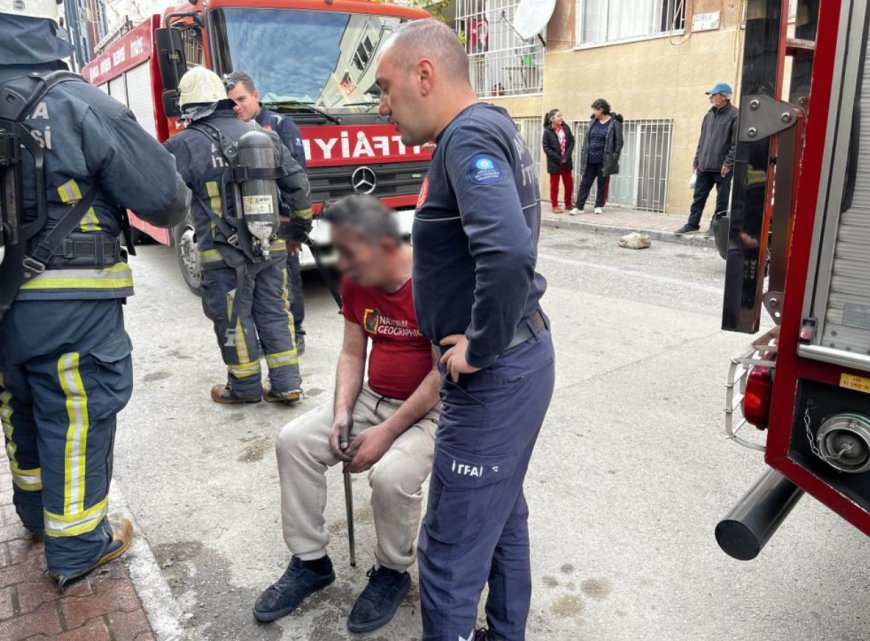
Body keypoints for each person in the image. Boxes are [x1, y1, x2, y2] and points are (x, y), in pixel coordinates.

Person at [376, 20, 555, 641]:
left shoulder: (467, 135)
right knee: (502, 515)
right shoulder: (492, 125)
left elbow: (506, 253)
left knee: (450, 553)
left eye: (386, 88)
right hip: (522, 358)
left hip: (497, 373)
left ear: (424, 75)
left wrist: (479, 343)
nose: (382, 105)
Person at [0, 3, 190, 586]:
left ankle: (36, 516)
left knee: (19, 403)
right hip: (71, 300)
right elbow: (163, 196)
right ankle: (79, 543)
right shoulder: (73, 99)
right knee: (76, 413)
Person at [255, 196, 440, 634]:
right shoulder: (358, 279)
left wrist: (387, 432)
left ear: (388, 245)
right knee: (294, 441)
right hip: (369, 398)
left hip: (429, 412)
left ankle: (392, 572)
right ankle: (310, 562)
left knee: (391, 477)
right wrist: (342, 411)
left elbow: (440, 376)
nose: (347, 272)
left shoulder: (434, 282)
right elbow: (353, 351)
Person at [164, 68, 312, 405]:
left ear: (188, 107)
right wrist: (298, 231)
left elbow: (164, 200)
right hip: (271, 245)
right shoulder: (262, 135)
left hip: (221, 254)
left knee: (234, 316)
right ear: (222, 98)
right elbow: (299, 187)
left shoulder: (182, 145)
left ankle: (244, 389)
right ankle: (287, 384)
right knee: (275, 309)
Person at [226, 70, 308, 354]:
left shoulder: (280, 126)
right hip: (251, 220)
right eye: (232, 102)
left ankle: (296, 332)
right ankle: (269, 338)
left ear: (256, 95)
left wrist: (293, 227)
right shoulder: (235, 132)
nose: (238, 107)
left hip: (281, 219)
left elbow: (296, 177)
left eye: (242, 99)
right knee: (262, 285)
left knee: (288, 278)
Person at [675, 82, 738, 236]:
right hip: (704, 166)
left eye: (714, 94)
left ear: (724, 97)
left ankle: (715, 228)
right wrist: (696, 161)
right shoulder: (708, 116)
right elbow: (701, 141)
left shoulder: (736, 115)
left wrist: (729, 163)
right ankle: (692, 224)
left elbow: (736, 143)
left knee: (721, 201)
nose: (710, 98)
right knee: (698, 198)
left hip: (722, 168)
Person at [569, 98, 623, 216]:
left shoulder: (615, 123)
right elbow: (587, 139)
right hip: (590, 159)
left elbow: (619, 143)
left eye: (595, 110)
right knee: (585, 183)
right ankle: (579, 207)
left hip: (604, 160)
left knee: (602, 183)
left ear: (601, 110)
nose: (593, 112)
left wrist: (613, 159)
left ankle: (598, 206)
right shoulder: (593, 122)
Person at [542, 109, 574, 213]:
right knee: (554, 186)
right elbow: (546, 148)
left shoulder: (566, 127)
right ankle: (555, 205)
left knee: (569, 184)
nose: (561, 117)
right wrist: (559, 158)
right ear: (552, 119)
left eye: (561, 115)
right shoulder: (547, 132)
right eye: (558, 116)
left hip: (566, 161)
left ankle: (568, 204)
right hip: (554, 162)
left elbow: (572, 141)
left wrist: (566, 156)